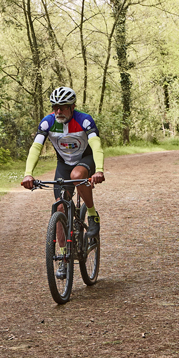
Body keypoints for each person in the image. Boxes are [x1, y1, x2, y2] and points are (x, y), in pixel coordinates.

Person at [20, 87, 106, 242]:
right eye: (55, 107)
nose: (58, 111)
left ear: (72, 107)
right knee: (59, 207)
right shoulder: (48, 122)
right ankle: (63, 258)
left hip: (85, 159)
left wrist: (99, 170)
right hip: (64, 164)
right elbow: (36, 148)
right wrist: (28, 174)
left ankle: (93, 215)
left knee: (77, 176)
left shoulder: (84, 120)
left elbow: (96, 145)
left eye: (62, 107)